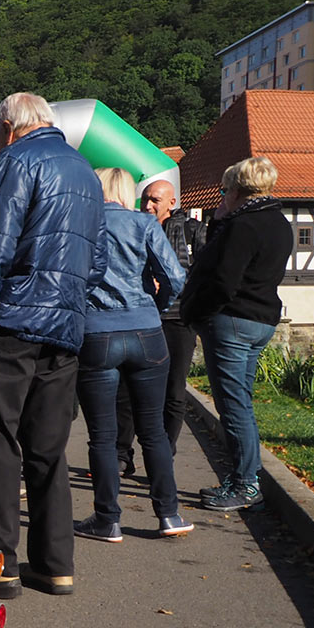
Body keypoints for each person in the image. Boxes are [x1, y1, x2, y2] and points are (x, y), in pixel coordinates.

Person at [0, 92, 106, 598]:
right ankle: (56, 564)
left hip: (7, 323)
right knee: (48, 449)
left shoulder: (12, 162)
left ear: (8, 127)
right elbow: (94, 263)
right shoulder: (85, 172)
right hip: (64, 327)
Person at [73, 168, 190, 543]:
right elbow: (175, 277)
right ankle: (169, 514)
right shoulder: (144, 223)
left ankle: (107, 519)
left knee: (103, 436)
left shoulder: (81, 224)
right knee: (153, 429)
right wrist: (154, 306)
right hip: (146, 330)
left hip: (97, 333)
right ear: (125, 192)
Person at [179, 157, 293, 512]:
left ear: (237, 190)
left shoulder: (243, 226)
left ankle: (245, 484)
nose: (222, 197)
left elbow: (223, 281)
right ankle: (246, 477)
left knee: (233, 405)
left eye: (224, 190)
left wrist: (195, 313)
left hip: (232, 320)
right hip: (261, 319)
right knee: (241, 401)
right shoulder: (279, 223)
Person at [116, 179, 206, 475]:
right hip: (139, 317)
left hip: (177, 320)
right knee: (126, 388)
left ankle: (163, 456)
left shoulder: (191, 232)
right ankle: (121, 453)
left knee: (173, 390)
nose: (147, 206)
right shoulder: (134, 228)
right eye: (144, 199)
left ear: (172, 202)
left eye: (154, 200)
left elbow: (204, 275)